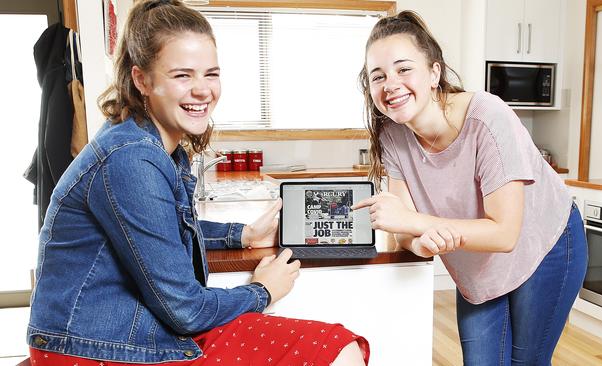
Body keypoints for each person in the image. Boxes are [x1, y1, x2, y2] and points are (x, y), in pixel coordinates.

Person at [26, 1, 368, 365]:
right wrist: (262, 291)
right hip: (93, 346)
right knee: (336, 347)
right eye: (182, 75)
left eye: (211, 73)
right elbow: (185, 310)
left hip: (115, 332)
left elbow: (157, 228)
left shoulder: (152, 144)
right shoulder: (132, 158)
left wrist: (243, 234)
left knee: (332, 344)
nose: (203, 90)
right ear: (142, 80)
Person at [352, 10, 587, 365]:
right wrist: (424, 241)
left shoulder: (487, 117)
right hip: (477, 260)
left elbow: (505, 234)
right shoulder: (393, 134)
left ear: (434, 73)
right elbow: (405, 233)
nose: (390, 84)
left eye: (403, 69)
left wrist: (416, 223)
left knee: (527, 362)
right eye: (378, 76)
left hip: (544, 245)